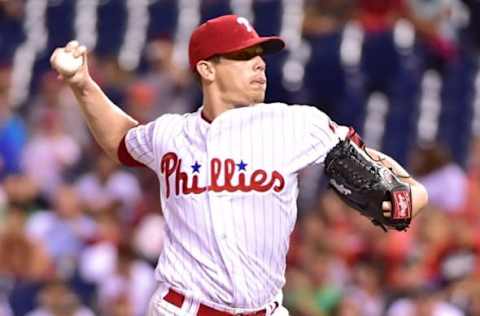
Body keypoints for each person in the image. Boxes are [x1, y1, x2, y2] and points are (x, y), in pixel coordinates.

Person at [50, 14, 428, 316]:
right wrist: (82, 83)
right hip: (182, 308)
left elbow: (365, 157)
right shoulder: (171, 134)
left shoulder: (294, 123)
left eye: (261, 55)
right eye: (244, 56)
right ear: (207, 69)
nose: (260, 64)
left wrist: (411, 190)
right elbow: (121, 140)